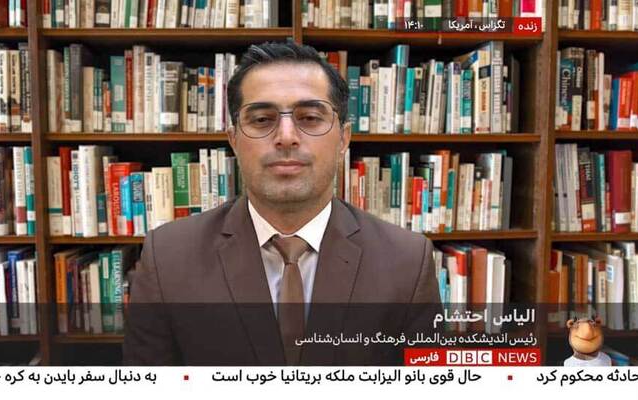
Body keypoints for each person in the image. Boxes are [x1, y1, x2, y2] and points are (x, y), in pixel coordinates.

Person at [123, 40, 441, 366]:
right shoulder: (168, 258)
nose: (286, 136)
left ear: (343, 139)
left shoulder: (407, 261)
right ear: (234, 140)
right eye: (262, 119)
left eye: (310, 118)